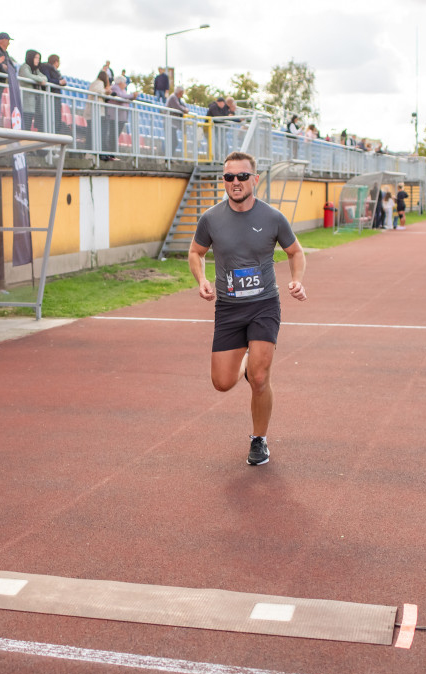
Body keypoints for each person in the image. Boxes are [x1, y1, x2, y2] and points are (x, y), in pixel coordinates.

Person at [188, 151, 308, 467]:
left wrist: (297, 280)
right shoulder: (210, 218)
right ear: (223, 181)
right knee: (222, 382)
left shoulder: (272, 218)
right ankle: (245, 357)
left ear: (255, 179)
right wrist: (201, 279)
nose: (235, 182)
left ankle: (259, 440)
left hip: (264, 305)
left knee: (259, 377)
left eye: (242, 176)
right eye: (229, 177)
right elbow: (196, 252)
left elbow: (296, 252)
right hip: (228, 308)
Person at [18, 49, 48, 131]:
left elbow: (45, 78)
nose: (38, 60)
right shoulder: (25, 67)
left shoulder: (36, 70)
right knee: (26, 126)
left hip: (35, 104)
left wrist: (41, 79)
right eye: (36, 58)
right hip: (26, 104)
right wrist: (40, 80)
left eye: (39, 58)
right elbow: (28, 76)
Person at [39, 54, 67, 133]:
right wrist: (58, 82)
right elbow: (47, 80)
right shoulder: (46, 67)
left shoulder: (57, 72)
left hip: (56, 98)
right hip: (50, 98)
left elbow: (63, 82)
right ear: (56, 62)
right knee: (51, 117)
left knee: (57, 118)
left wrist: (61, 82)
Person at [89, 70, 113, 158]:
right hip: (97, 112)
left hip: (97, 112)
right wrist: (106, 91)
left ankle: (101, 153)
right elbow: (98, 91)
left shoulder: (96, 83)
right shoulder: (98, 83)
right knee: (100, 133)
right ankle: (99, 153)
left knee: (100, 133)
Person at [166, 86, 189, 155]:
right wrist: (184, 110)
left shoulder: (178, 99)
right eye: (182, 93)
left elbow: (185, 107)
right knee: (173, 141)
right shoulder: (173, 97)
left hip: (173, 124)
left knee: (174, 142)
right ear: (179, 92)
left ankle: (170, 158)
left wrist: (185, 109)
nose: (182, 94)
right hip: (169, 123)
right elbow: (178, 107)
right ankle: (169, 158)